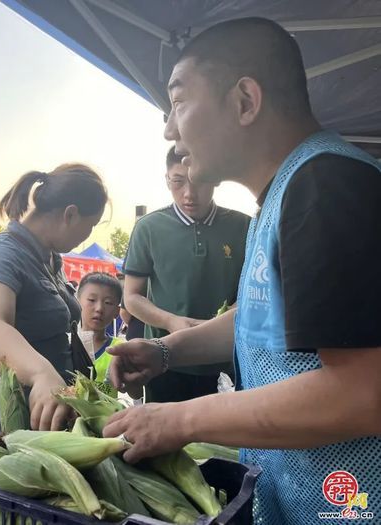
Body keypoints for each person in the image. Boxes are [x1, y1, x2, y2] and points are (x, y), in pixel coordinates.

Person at [103, 18, 381, 525]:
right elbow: (261, 315)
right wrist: (167, 351)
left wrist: (180, 419)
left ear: (245, 101)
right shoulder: (283, 192)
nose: (169, 128)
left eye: (180, 100)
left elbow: (363, 392)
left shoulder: (325, 188)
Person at [0, 164, 108, 438]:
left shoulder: (49, 259)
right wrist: (41, 374)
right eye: (91, 225)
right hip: (2, 429)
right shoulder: (2, 254)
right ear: (71, 214)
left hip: (44, 425)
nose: (88, 235)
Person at [122, 146, 250, 402]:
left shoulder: (244, 226)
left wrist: (217, 325)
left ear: (215, 180)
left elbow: (251, 291)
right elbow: (132, 297)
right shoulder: (148, 228)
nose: (189, 194)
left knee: (221, 440)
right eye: (178, 181)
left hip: (226, 361)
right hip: (165, 362)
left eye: (200, 182)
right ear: (167, 179)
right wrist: (171, 322)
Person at [76, 272, 122, 392]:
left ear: (117, 311)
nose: (99, 308)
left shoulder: (119, 349)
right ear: (76, 302)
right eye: (92, 300)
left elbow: (136, 394)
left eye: (107, 303)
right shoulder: (65, 345)